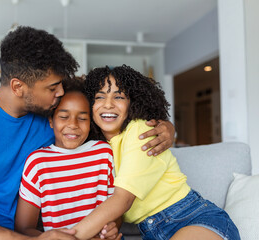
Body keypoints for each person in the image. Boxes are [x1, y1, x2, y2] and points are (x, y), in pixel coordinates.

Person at [0, 25, 174, 240]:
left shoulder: (54, 120)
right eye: (52, 87)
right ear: (18, 87)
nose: (60, 93)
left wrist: (166, 127)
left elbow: (115, 124)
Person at [71, 65, 240, 240]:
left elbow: (123, 199)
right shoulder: (98, 149)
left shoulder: (141, 131)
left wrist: (70, 236)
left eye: (119, 96)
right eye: (99, 96)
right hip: (152, 232)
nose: (108, 104)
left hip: (194, 219)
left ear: (133, 102)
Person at [15, 78, 121, 240]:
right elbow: (24, 228)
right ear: (51, 120)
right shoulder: (38, 162)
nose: (73, 124)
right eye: (64, 117)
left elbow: (116, 210)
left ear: (91, 121)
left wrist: (113, 228)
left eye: (82, 118)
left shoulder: (103, 153)